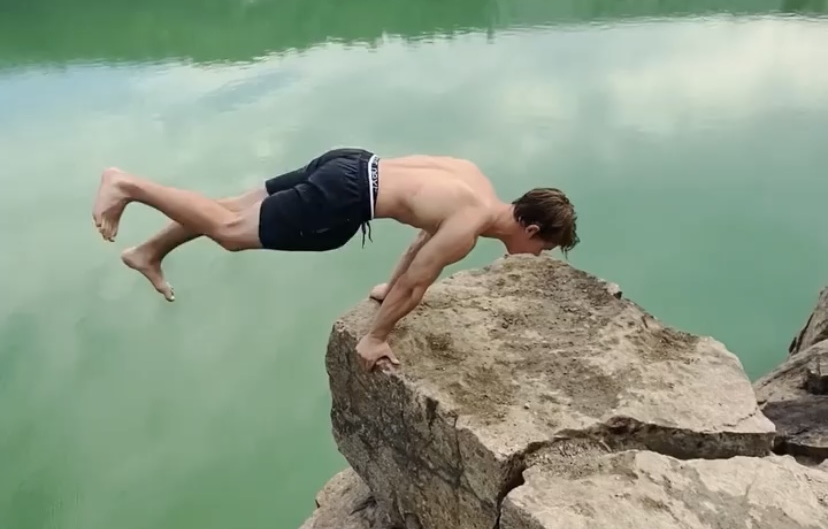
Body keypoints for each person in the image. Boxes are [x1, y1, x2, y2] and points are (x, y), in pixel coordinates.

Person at [92, 147, 578, 370]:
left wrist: (386, 289)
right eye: (543, 248)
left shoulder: (473, 180)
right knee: (230, 231)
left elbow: (417, 247)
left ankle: (150, 251)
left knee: (233, 207)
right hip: (344, 196)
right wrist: (375, 337)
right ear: (532, 230)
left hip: (350, 162)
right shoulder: (467, 227)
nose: (537, 256)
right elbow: (418, 282)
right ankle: (128, 185)